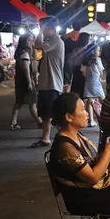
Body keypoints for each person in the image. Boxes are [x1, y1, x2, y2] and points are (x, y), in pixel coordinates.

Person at [31, 16, 64, 148]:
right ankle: (45, 139)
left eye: (43, 27)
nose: (42, 30)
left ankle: (64, 139)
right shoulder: (50, 40)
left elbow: (37, 45)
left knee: (54, 114)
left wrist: (39, 32)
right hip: (46, 83)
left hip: (53, 83)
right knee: (46, 114)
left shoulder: (56, 40)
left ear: (50, 28)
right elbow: (37, 45)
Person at [10, 33, 42, 130]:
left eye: (32, 40)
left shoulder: (23, 53)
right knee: (32, 103)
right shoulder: (24, 54)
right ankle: (40, 122)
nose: (31, 42)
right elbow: (26, 70)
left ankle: (13, 123)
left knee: (19, 102)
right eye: (29, 40)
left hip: (20, 81)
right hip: (25, 81)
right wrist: (29, 82)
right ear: (24, 42)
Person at [82, 44, 105, 127]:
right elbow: (101, 71)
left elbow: (83, 73)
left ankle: (91, 120)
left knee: (90, 101)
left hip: (88, 82)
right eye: (98, 50)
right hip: (96, 82)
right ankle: (106, 117)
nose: (99, 52)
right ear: (93, 51)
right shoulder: (97, 60)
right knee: (103, 100)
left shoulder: (85, 60)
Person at [69, 32, 90, 98]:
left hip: (75, 69)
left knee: (75, 87)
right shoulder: (86, 50)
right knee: (82, 88)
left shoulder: (75, 49)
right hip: (83, 69)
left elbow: (72, 59)